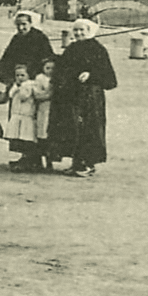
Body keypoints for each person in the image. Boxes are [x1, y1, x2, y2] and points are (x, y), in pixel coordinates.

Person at [48, 19, 118, 178]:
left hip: (90, 98)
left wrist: (91, 75)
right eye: (76, 30)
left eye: (82, 30)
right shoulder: (72, 48)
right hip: (72, 96)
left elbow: (110, 79)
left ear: (90, 31)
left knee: (89, 129)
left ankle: (88, 164)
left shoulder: (98, 49)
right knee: (74, 129)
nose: (78, 33)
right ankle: (76, 163)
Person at [0, 11, 52, 86]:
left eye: (24, 24)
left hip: (34, 76)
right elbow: (7, 57)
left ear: (30, 23)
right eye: (18, 25)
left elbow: (47, 59)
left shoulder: (40, 38)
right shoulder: (16, 38)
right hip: (17, 75)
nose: (20, 28)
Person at [4, 64, 41, 170]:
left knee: (26, 138)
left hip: (26, 116)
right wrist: (16, 86)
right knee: (19, 138)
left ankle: (29, 160)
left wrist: (20, 87)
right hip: (17, 115)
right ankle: (24, 158)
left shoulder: (29, 86)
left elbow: (23, 96)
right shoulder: (16, 86)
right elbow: (10, 95)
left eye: (22, 75)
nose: (19, 78)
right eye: (17, 75)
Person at [33, 57, 56, 171]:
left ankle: (49, 161)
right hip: (43, 109)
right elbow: (37, 95)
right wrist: (49, 94)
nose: (50, 71)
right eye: (47, 68)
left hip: (53, 109)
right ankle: (38, 161)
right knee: (41, 133)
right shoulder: (40, 78)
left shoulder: (57, 78)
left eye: (53, 68)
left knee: (50, 135)